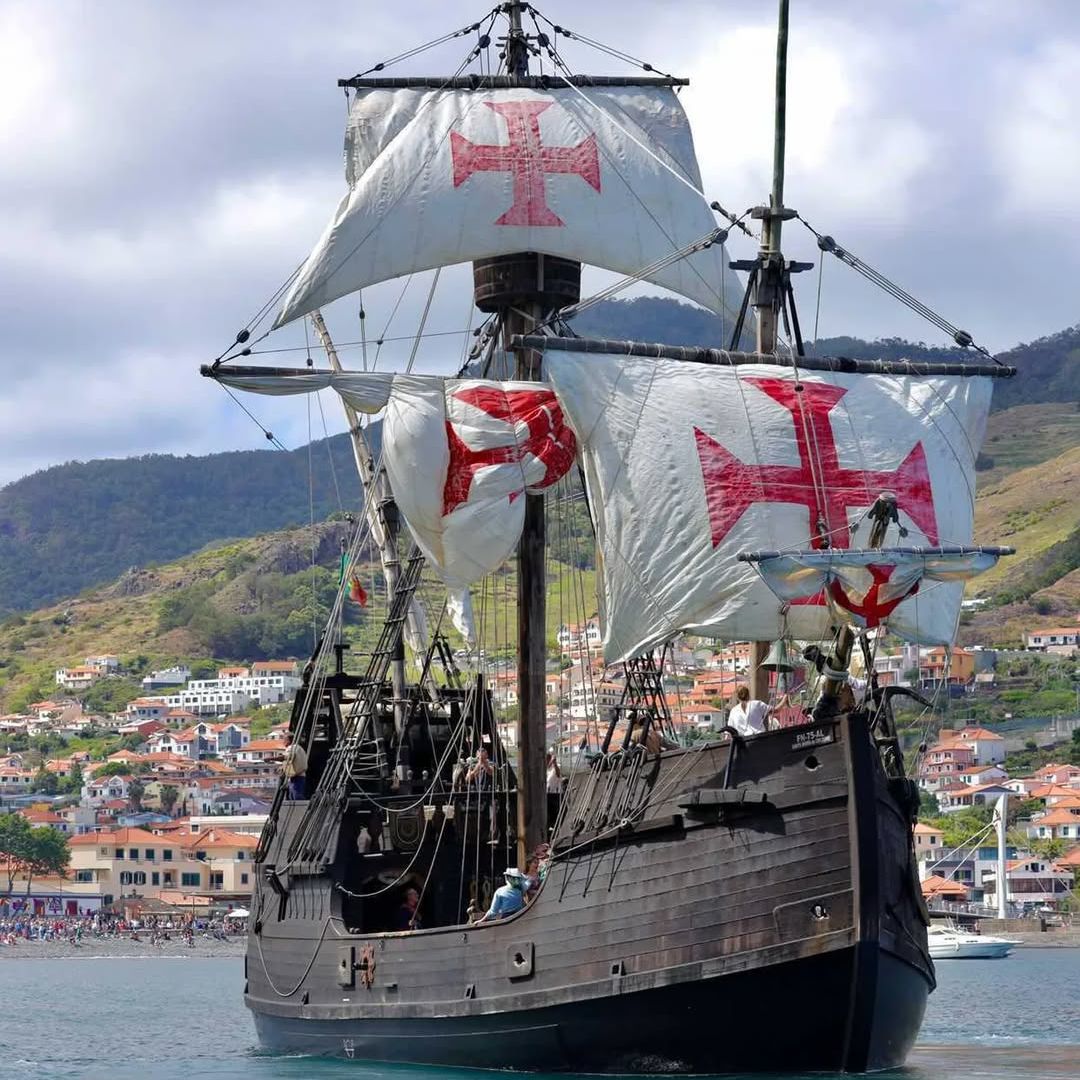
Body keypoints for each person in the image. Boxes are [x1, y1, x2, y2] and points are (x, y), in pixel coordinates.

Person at [281, 731, 308, 800]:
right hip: (299, 776)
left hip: (296, 777)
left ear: (289, 740)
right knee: (293, 796)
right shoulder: (299, 748)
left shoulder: (291, 748)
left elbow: (287, 757)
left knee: (296, 796)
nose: (283, 742)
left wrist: (270, 759)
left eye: (284, 739)